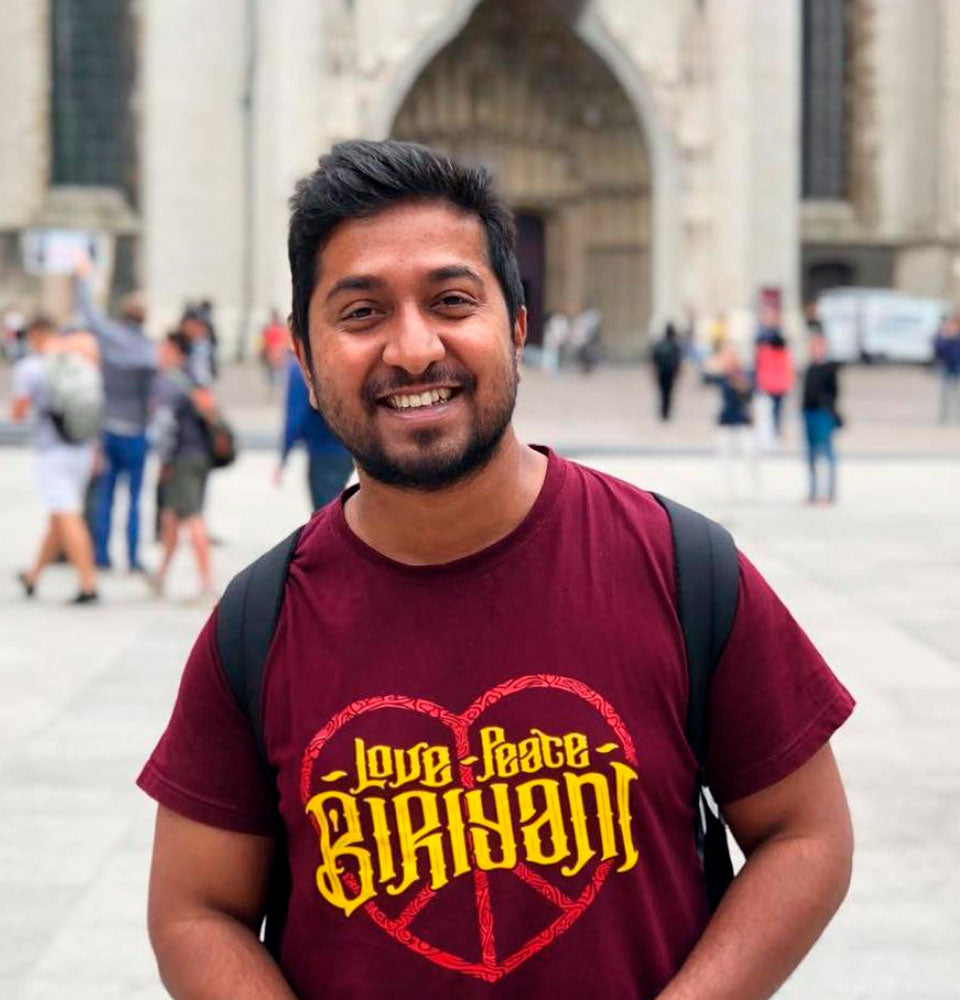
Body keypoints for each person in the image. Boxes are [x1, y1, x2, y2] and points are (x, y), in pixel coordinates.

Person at [138, 140, 854, 1000]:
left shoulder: (681, 567)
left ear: (517, 327)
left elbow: (806, 833)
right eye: (361, 313)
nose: (413, 350)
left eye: (451, 300)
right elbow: (195, 909)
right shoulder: (258, 624)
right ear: (304, 357)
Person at [73, 256, 157, 572]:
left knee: (105, 496)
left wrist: (84, 277)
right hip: (137, 431)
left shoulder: (109, 338)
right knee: (135, 499)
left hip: (109, 427)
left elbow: (89, 312)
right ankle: (133, 557)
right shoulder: (149, 350)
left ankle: (102, 555)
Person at [12, 317, 101, 604]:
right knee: (58, 517)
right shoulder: (80, 361)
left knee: (67, 515)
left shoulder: (30, 367)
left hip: (52, 452)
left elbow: (18, 412)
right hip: (82, 449)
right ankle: (33, 577)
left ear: (34, 335)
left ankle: (88, 584)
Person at [148, 331, 216, 601]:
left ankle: (207, 585)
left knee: (192, 517)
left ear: (174, 352)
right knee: (170, 517)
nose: (158, 354)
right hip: (200, 454)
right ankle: (160, 575)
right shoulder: (194, 376)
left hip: (181, 458)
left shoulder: (167, 382)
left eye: (162, 349)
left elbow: (164, 425)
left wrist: (164, 460)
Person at [274, 353, 354, 510]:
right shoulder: (337, 360)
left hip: (321, 452)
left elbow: (295, 417)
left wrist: (283, 458)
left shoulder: (300, 368)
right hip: (347, 450)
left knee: (326, 511)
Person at [705, 340, 759, 500]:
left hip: (743, 421)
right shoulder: (720, 376)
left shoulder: (744, 375)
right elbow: (705, 379)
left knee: (750, 455)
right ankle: (726, 487)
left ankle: (752, 486)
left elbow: (750, 394)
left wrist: (741, 384)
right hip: (725, 421)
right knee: (724, 458)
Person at [802, 327, 842, 506]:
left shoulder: (829, 368)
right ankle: (813, 492)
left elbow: (835, 393)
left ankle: (828, 493)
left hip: (823, 414)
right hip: (809, 413)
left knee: (827, 454)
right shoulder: (810, 367)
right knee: (810, 455)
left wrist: (827, 408)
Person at [754, 330, 794, 440]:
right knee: (775, 411)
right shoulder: (782, 354)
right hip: (776, 387)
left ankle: (773, 432)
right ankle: (774, 431)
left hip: (771, 386)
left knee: (772, 412)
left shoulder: (766, 352)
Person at [933, 312, 960, 425]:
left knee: (959, 392)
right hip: (946, 367)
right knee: (945, 393)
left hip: (958, 367)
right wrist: (944, 338)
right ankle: (944, 415)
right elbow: (937, 350)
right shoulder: (942, 335)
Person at [650, 321, 683, 420]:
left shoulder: (659, 344)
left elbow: (653, 359)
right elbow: (678, 360)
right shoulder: (675, 345)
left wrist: (652, 372)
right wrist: (679, 372)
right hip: (670, 372)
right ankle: (666, 412)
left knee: (662, 392)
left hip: (661, 372)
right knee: (668, 393)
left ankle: (663, 412)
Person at [259, 309, 292, 391]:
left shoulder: (272, 328)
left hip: (277, 353)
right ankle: (276, 387)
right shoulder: (274, 328)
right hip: (276, 353)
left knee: (277, 372)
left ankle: (276, 387)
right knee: (276, 372)